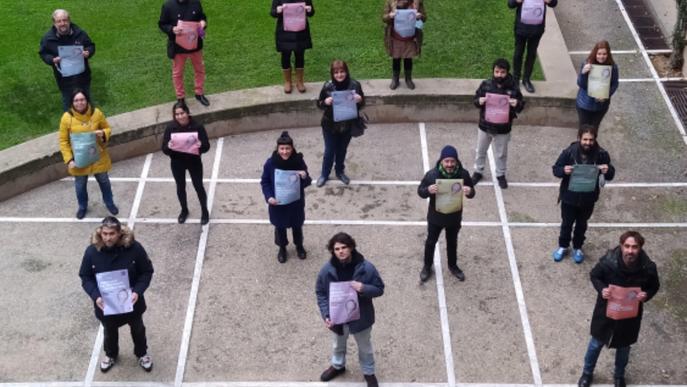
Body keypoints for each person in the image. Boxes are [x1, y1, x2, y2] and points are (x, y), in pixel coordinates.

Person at [577, 231, 660, 387]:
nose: (630, 251)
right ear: (621, 246)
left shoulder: (648, 268)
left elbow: (654, 286)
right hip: (605, 313)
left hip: (629, 317)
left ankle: (619, 376)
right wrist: (602, 289)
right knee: (595, 344)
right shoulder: (608, 262)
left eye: (634, 247)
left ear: (640, 248)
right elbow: (595, 276)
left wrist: (646, 295)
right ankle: (587, 373)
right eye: (627, 246)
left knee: (624, 348)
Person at [79, 216, 155, 373]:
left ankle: (142, 353)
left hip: (132, 303)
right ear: (101, 233)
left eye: (111, 233)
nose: (107, 237)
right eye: (105, 233)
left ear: (119, 233)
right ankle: (111, 354)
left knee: (138, 329)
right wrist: (96, 296)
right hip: (106, 305)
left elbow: (146, 272)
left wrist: (137, 292)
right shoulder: (92, 252)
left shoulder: (135, 249)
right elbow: (85, 277)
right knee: (109, 332)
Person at [316, 232, 384, 387]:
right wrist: (326, 315)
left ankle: (369, 372)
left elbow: (379, 289)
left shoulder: (367, 268)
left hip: (361, 318)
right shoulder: (326, 270)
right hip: (338, 318)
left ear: (351, 247)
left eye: (344, 247)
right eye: (337, 248)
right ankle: (338, 366)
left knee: (365, 348)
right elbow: (320, 293)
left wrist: (363, 288)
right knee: (338, 345)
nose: (340, 251)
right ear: (333, 251)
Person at [552, 125, 615, 263]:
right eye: (585, 139)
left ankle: (578, 247)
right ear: (579, 138)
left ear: (595, 139)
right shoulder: (569, 152)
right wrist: (564, 170)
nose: (588, 143)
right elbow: (556, 169)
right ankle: (563, 246)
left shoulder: (602, 154)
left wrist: (607, 170)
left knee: (582, 224)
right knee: (567, 223)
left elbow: (610, 174)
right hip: (569, 198)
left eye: (591, 140)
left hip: (588, 199)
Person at [418, 145, 475, 282]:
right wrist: (427, 190)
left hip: (454, 218)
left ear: (456, 161)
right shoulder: (432, 175)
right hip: (435, 217)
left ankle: (453, 266)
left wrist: (470, 191)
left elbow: (472, 192)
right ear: (441, 161)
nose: (449, 164)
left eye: (452, 161)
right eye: (447, 161)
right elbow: (420, 191)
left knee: (452, 242)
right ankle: (427, 267)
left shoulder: (463, 174)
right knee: (431, 242)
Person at [58, 89, 118, 220]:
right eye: (76, 100)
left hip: (98, 157)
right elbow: (63, 141)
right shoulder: (66, 118)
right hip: (79, 159)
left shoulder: (97, 113)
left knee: (104, 182)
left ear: (87, 100)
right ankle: (82, 207)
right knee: (80, 185)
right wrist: (69, 160)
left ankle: (109, 203)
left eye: (82, 99)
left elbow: (107, 128)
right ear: (72, 102)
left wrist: (103, 133)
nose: (80, 103)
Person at [471, 58, 524, 189]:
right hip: (485, 125)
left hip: (503, 128)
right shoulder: (486, 85)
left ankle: (500, 175)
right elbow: (475, 99)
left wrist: (517, 103)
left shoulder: (513, 87)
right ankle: (478, 171)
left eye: (502, 72)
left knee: (501, 153)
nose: (499, 74)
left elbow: (521, 104)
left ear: (507, 72)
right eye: (497, 71)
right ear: (493, 71)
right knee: (480, 151)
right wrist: (479, 101)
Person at [260, 131, 312, 263]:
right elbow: (265, 181)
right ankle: (282, 248)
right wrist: (269, 197)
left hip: (295, 204)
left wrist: (304, 176)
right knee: (280, 228)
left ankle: (299, 246)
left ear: (292, 148)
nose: (285, 151)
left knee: (297, 227)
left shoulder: (298, 161)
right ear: (277, 149)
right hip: (278, 204)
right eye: (282, 148)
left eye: (287, 148)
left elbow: (307, 181)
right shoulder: (270, 163)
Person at [315, 60, 365, 187]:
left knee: (342, 150)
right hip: (330, 125)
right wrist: (325, 102)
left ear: (346, 72)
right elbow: (319, 103)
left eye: (342, 71)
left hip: (348, 124)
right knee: (329, 151)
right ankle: (324, 174)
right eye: (336, 72)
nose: (339, 75)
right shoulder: (327, 86)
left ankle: (339, 171)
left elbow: (362, 103)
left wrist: (360, 100)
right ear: (332, 74)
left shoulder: (355, 85)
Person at [161, 102, 211, 225]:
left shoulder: (197, 126)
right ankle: (184, 210)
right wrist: (168, 146)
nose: (179, 116)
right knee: (180, 187)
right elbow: (164, 149)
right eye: (176, 114)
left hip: (194, 162)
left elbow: (206, 146)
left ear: (187, 112)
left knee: (198, 186)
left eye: (182, 113)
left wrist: (200, 146)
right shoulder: (170, 128)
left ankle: (204, 211)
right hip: (177, 162)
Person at [39, 9, 95, 112]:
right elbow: (43, 53)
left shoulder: (80, 33)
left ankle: (90, 124)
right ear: (54, 23)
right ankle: (70, 126)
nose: (62, 23)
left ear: (69, 20)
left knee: (86, 102)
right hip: (64, 80)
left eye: (64, 20)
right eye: (59, 21)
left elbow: (90, 46)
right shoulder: (48, 39)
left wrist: (88, 52)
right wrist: (52, 59)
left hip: (83, 77)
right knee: (68, 104)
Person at [159, 0, 210, 106]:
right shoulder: (168, 5)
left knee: (199, 70)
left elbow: (202, 17)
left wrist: (202, 23)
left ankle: (199, 93)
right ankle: (180, 98)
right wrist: (172, 29)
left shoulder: (196, 2)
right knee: (177, 73)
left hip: (195, 45)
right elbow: (162, 24)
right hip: (178, 47)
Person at [508, 0, 557, 93]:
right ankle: (515, 80)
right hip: (521, 28)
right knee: (518, 53)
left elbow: (554, 3)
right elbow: (510, 4)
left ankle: (526, 80)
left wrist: (549, 1)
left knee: (531, 54)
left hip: (537, 29)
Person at [270, 0, 315, 93]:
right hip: (284, 32)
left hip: (300, 32)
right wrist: (277, 11)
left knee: (300, 55)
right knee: (285, 56)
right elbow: (272, 12)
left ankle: (300, 81)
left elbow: (311, 12)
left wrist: (309, 10)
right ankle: (287, 81)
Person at [382, 0, 426, 90]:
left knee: (408, 58)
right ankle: (395, 79)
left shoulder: (417, 2)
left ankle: (408, 79)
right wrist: (390, 16)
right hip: (396, 36)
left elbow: (424, 18)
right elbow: (384, 18)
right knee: (396, 58)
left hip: (410, 37)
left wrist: (420, 16)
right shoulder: (391, 1)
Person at [576, 40, 619, 129]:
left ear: (608, 54)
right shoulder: (587, 64)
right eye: (599, 54)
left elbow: (614, 83)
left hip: (601, 106)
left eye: (604, 54)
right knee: (583, 129)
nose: (601, 57)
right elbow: (581, 84)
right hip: (585, 104)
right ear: (595, 53)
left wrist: (606, 95)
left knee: (594, 130)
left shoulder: (613, 67)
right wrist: (583, 73)